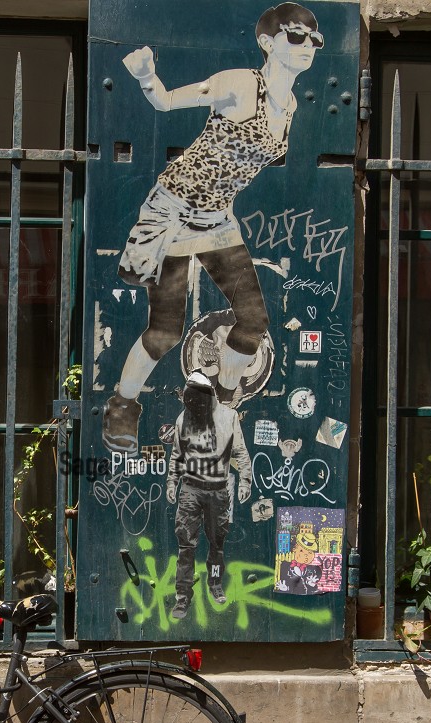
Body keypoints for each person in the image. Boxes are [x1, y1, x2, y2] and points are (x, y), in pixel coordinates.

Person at [102, 3, 323, 453]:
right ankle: (122, 405)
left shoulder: (292, 105)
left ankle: (223, 398)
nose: (308, 47)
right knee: (165, 330)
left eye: (314, 40)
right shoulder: (241, 84)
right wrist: (147, 75)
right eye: (295, 36)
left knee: (254, 319)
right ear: (267, 43)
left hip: (217, 217)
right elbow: (165, 101)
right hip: (174, 214)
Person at [166, 372, 253, 619]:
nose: (193, 402)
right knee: (186, 546)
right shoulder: (184, 418)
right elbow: (177, 455)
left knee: (217, 544)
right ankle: (182, 597)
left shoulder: (229, 417)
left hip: (218, 489)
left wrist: (245, 481)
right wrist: (171, 482)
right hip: (190, 489)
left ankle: (215, 585)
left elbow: (241, 453)